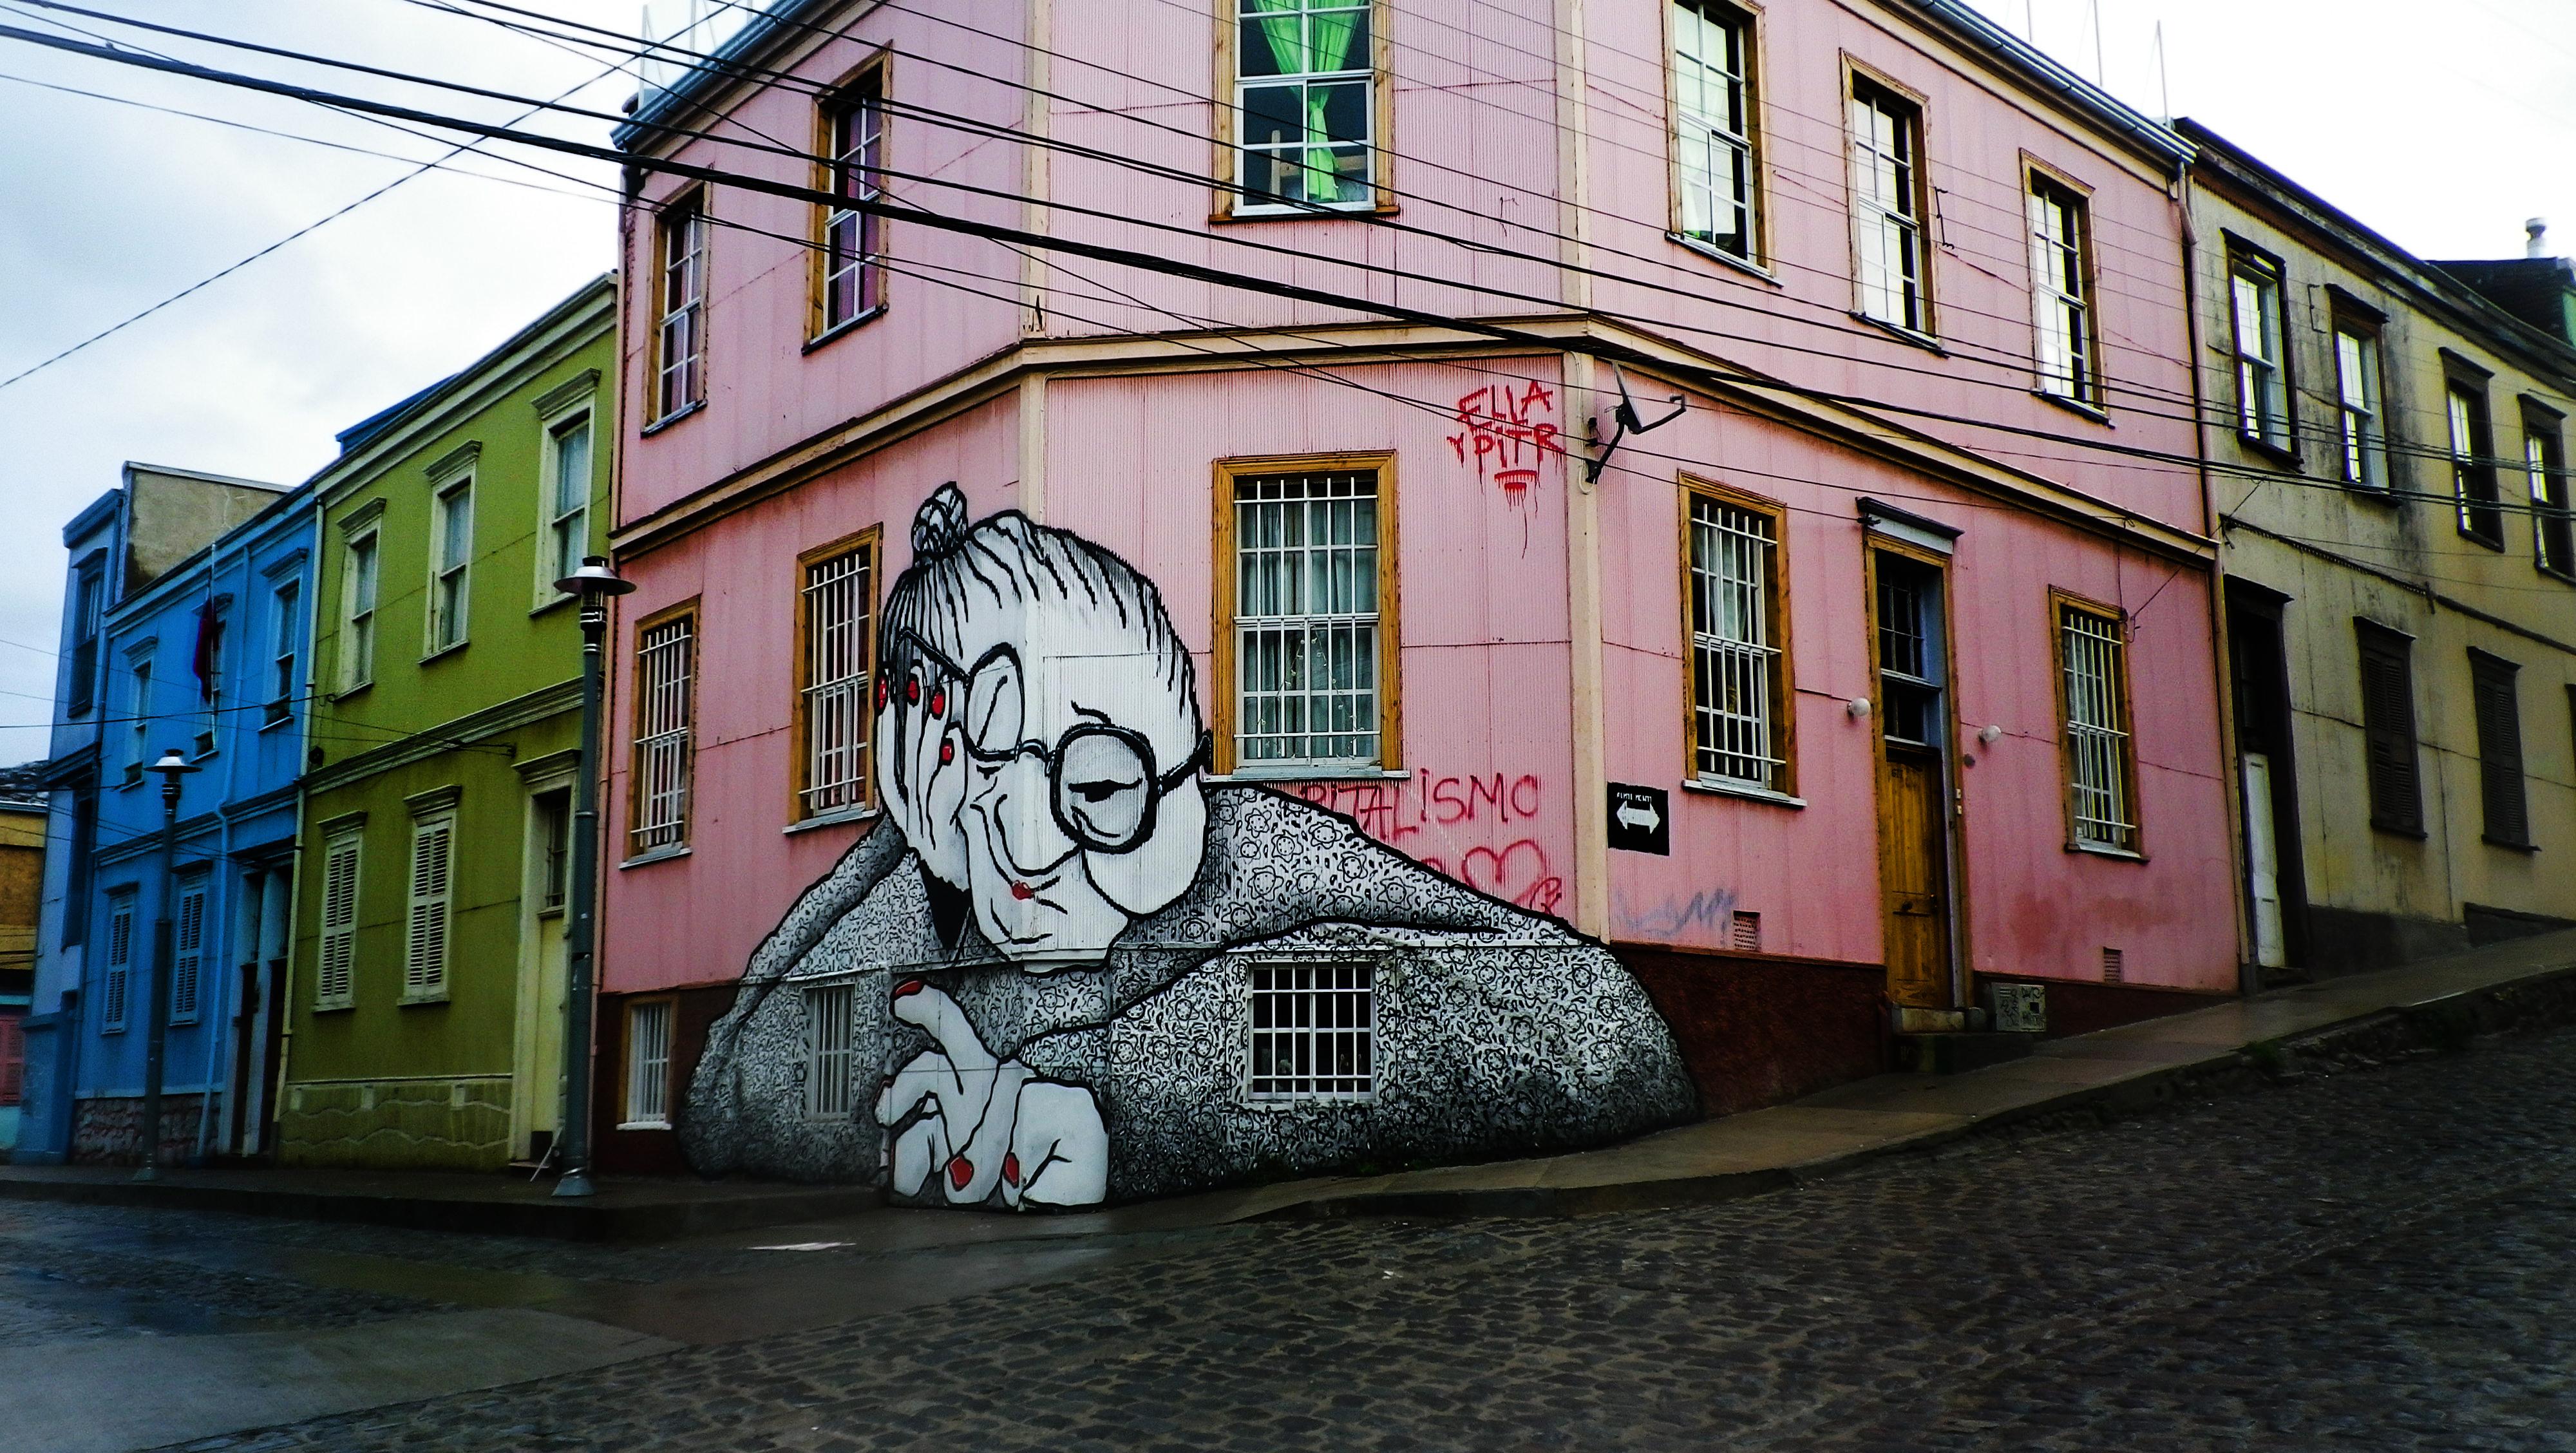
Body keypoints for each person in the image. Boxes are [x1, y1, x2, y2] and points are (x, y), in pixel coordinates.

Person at [681, 486, 1696, 1208]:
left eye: (1102, 787)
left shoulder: (1256, 858)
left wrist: (1116, 1092)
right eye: (984, 768)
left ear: (1180, 771)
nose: (1030, 844)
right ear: (924, 765)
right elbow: (723, 1107)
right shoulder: (895, 897)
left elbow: (1604, 1038)